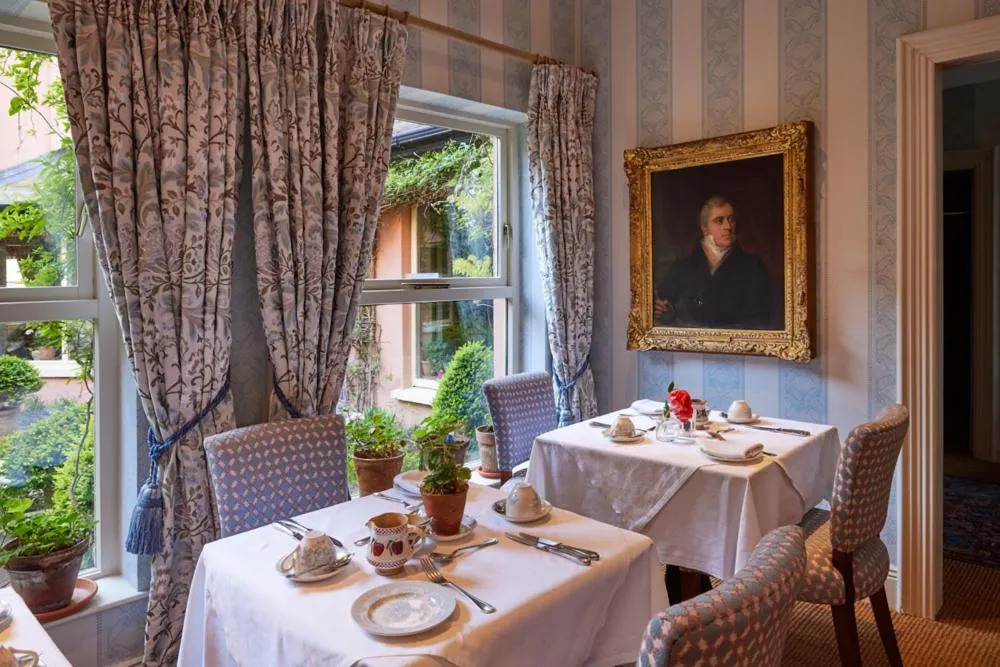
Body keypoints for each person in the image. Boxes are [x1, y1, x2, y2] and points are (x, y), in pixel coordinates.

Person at [654, 195, 772, 329]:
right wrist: (669, 313)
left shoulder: (753, 267)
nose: (728, 226)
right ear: (705, 228)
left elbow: (760, 320)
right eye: (719, 221)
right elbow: (661, 309)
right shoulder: (682, 268)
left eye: (731, 219)